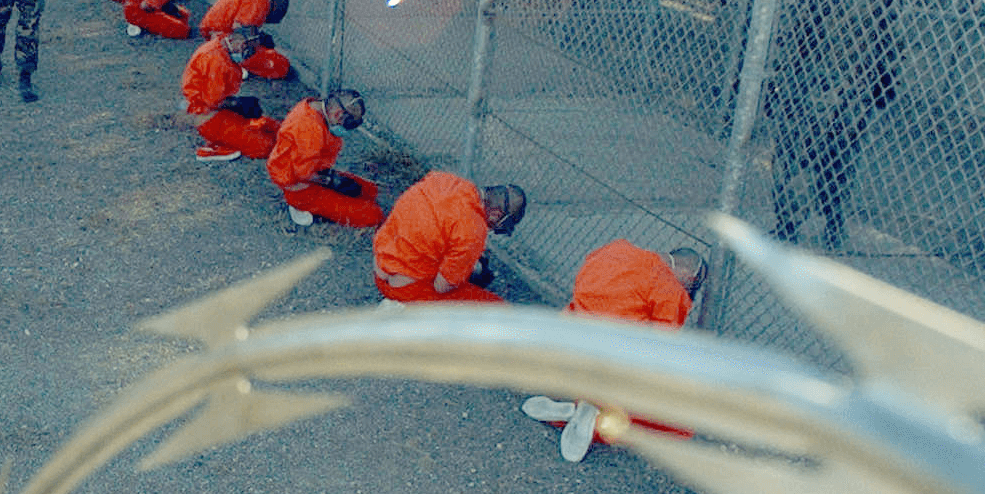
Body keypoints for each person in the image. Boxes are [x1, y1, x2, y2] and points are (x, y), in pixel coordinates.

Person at [764, 0, 901, 252]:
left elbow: (797, 31)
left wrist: (778, 81)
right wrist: (884, 82)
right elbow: (889, 37)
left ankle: (791, 225)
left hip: (813, 84)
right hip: (851, 87)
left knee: (796, 155)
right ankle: (831, 223)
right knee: (838, 158)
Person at [520, 241, 706, 462]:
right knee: (682, 429)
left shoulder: (616, 249)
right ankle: (593, 415)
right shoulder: (671, 290)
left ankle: (579, 407)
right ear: (688, 276)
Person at [373, 172, 528, 305]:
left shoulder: (446, 179)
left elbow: (438, 225)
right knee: (499, 307)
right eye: (497, 226)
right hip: (402, 289)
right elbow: (441, 287)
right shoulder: (474, 229)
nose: (492, 229)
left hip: (380, 267)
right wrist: (466, 272)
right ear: (496, 214)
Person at [266, 89, 384, 228]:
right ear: (338, 114)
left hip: (314, 170)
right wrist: (331, 182)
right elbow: (302, 174)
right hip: (299, 185)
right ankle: (302, 205)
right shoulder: (311, 131)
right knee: (374, 215)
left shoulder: (313, 107)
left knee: (370, 190)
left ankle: (328, 204)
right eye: (347, 124)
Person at [181, 30, 279, 162]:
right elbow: (213, 102)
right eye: (246, 47)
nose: (248, 52)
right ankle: (214, 148)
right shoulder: (216, 60)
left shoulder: (222, 48)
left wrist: (237, 104)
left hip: (217, 109)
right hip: (209, 117)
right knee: (266, 146)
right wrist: (237, 104)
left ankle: (229, 139)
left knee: (273, 127)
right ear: (233, 40)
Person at [200, 0, 292, 80]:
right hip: (220, 37)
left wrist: (258, 39)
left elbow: (242, 29)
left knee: (266, 53)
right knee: (281, 65)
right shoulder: (261, 3)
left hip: (216, 32)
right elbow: (239, 39)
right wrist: (259, 41)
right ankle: (229, 65)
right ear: (275, 9)